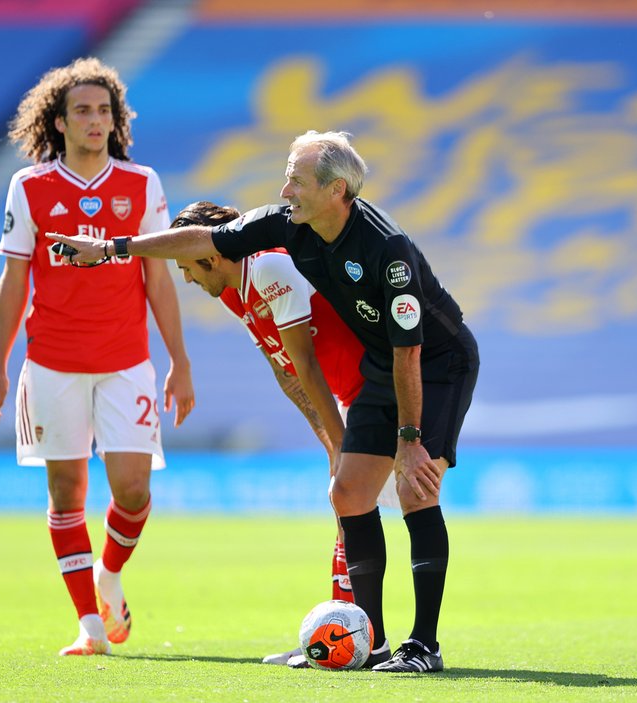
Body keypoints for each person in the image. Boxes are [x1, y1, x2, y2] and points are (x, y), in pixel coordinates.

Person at [49, 130, 479, 673]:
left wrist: (411, 442)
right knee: (348, 494)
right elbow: (203, 241)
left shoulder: (386, 250)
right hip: (382, 361)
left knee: (415, 491)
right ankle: (371, 640)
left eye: (296, 179)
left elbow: (409, 353)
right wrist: (113, 249)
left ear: (336, 190)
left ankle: (424, 646)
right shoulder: (284, 225)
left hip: (438, 363)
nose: (285, 188)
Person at [0, 57, 195, 656]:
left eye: (105, 110)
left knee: (131, 490)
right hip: (51, 362)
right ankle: (90, 626)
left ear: (115, 120)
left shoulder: (142, 183)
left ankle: (110, 574)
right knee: (66, 492)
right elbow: (14, 280)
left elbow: (158, 277)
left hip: (127, 361)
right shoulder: (30, 187)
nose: (96, 120)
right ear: (61, 122)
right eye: (83, 111)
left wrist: (179, 359)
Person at [167, 201, 398, 667]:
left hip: (377, 389)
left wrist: (339, 440)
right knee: (346, 506)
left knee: (355, 505)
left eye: (187, 267)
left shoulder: (271, 265)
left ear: (211, 256)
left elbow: (307, 363)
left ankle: (363, 638)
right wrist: (326, 436)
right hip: (347, 399)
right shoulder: (233, 290)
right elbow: (285, 368)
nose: (187, 280)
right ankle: (347, 634)